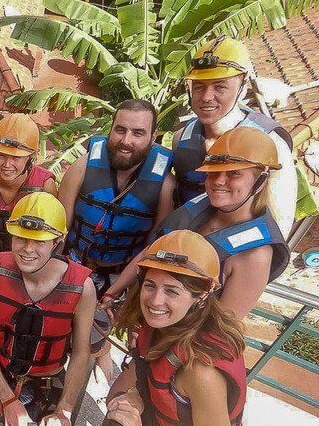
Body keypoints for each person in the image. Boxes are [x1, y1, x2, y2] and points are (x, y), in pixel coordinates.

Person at [106, 230, 247, 426]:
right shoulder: (162, 328)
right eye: (150, 285)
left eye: (172, 290)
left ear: (200, 296)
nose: (156, 300)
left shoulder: (200, 369)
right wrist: (135, 395)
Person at [106, 127, 290, 320]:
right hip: (149, 320)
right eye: (213, 173)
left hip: (178, 344)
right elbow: (152, 252)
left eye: (234, 173)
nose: (218, 181)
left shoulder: (255, 255)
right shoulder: (201, 207)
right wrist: (113, 292)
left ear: (261, 180)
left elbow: (223, 328)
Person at [57, 99, 175, 379]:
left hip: (120, 276)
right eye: (120, 130)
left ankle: (100, 355)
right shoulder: (83, 166)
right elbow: (60, 228)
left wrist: (119, 292)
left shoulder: (165, 185)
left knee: (94, 336)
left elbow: (154, 247)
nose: (126, 140)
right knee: (61, 333)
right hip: (75, 266)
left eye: (137, 133)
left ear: (152, 138)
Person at [0, 192, 96, 426]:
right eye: (21, 238)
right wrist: (7, 398)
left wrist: (65, 408)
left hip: (43, 384)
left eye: (39, 241)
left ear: (57, 241)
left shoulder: (82, 288)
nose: (27, 249)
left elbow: (81, 352)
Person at [174, 35, 296, 236]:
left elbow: (280, 225)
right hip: (186, 252)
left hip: (240, 257)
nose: (206, 97)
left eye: (220, 86)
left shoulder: (270, 143)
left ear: (242, 87)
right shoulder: (182, 137)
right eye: (199, 87)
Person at [0, 113, 57, 270]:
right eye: (1, 155)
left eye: (16, 158)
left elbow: (50, 234)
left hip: (27, 264)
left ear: (30, 157)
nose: (7, 164)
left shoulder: (45, 188)